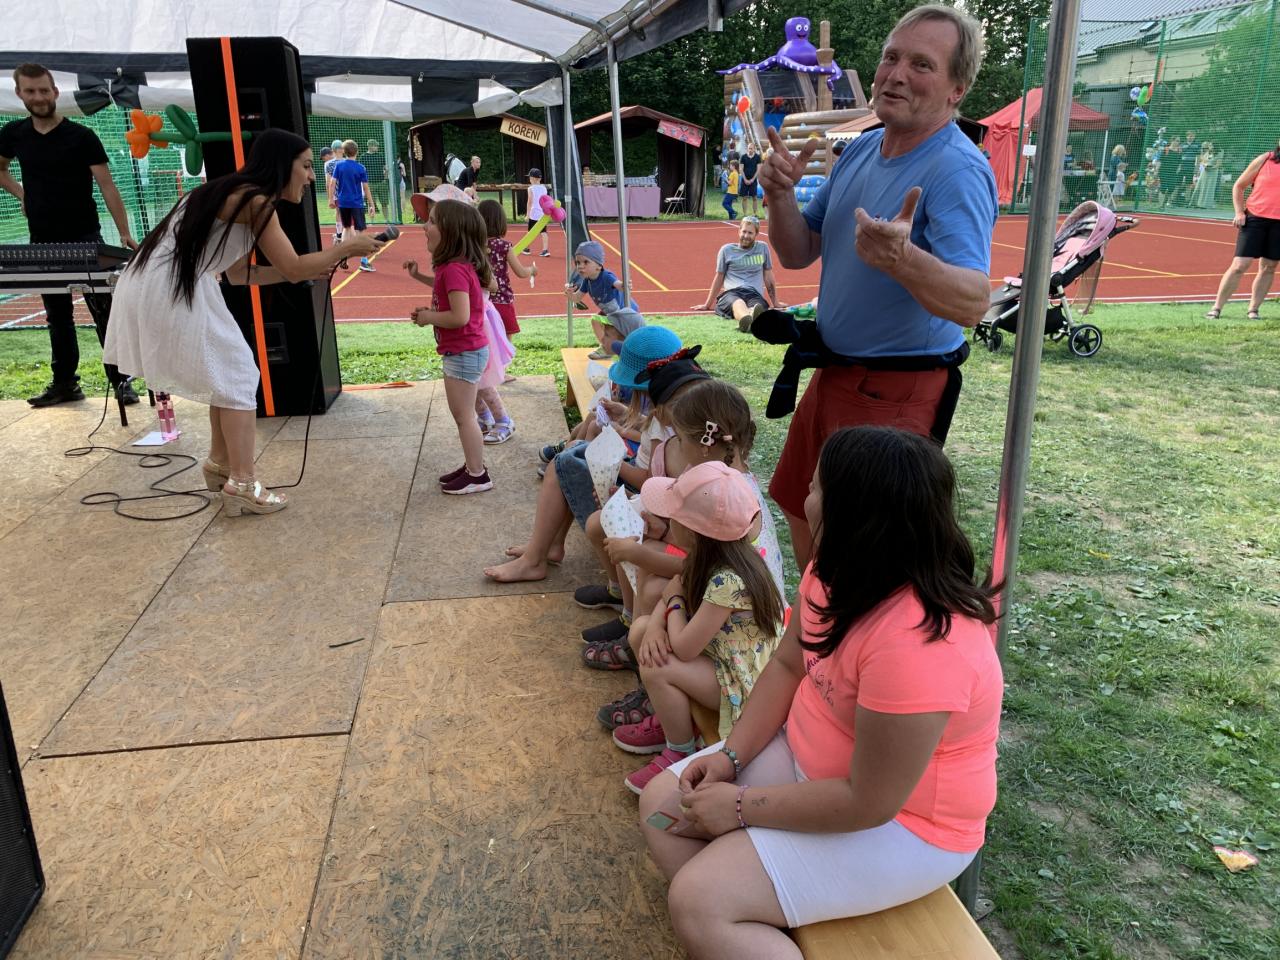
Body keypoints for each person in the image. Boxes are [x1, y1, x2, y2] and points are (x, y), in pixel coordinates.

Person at [638, 426, 1002, 958]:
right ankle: (751, 932)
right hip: (811, 762)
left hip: (906, 825)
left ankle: (737, 924)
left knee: (700, 901)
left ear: (851, 515)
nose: (803, 498)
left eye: (814, 488)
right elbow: (788, 666)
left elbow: (869, 800)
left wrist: (740, 806)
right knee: (662, 809)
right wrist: (730, 756)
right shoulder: (835, 571)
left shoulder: (919, 644)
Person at [756, 2, 997, 571]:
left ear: (957, 89)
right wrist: (780, 196)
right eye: (892, 57)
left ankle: (840, 622)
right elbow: (798, 251)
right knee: (799, 505)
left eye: (922, 64)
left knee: (861, 550)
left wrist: (903, 260)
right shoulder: (863, 148)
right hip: (836, 371)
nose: (896, 74)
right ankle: (818, 617)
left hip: (895, 389)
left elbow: (972, 302)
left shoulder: (957, 169)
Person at [103, 129, 380, 515]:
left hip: (164, 282)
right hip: (171, 286)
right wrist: (346, 247)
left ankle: (222, 466)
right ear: (282, 164)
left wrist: (303, 270)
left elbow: (241, 274)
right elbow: (293, 265)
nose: (311, 177)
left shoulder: (232, 193)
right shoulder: (255, 201)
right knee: (237, 376)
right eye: (305, 166)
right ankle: (243, 483)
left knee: (228, 375)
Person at [615, 462, 784, 795]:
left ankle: (679, 752)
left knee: (657, 665)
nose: (667, 521)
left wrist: (675, 603)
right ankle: (672, 717)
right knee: (642, 631)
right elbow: (675, 588)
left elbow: (684, 646)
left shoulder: (727, 580)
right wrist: (656, 625)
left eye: (672, 517)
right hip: (722, 658)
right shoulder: (718, 554)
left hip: (741, 684)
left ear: (692, 532)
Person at [482, 327, 682, 584]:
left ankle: (535, 559)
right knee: (570, 458)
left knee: (565, 462)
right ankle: (548, 546)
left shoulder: (664, 421)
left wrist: (611, 461)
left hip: (639, 498)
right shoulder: (669, 411)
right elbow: (652, 435)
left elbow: (650, 481)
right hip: (638, 482)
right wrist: (626, 415)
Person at [0, 63, 140, 407]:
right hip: (42, 240)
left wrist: (124, 232)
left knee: (104, 311)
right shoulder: (13, 133)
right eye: (30, 91)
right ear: (20, 94)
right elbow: (0, 169)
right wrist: (22, 195)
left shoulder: (82, 136)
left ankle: (122, 381)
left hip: (85, 236)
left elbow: (107, 185)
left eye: (43, 90)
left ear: (55, 92)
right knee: (57, 315)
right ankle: (65, 383)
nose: (38, 97)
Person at [409, 199, 495, 494]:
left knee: (464, 417)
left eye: (432, 221)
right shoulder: (453, 267)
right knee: (464, 416)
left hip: (464, 353)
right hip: (464, 351)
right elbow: (449, 300)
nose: (425, 226)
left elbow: (460, 316)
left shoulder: (454, 269)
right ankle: (473, 465)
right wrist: (430, 310)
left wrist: (428, 317)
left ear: (452, 232)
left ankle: (477, 474)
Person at [1204, 139, 1280, 321]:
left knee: (1269, 267)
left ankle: (1253, 310)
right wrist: (1239, 212)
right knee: (1240, 265)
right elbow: (1239, 186)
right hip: (1255, 218)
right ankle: (1216, 308)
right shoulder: (1265, 159)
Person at [693, 216, 782, 332]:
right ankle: (747, 318)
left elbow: (768, 275)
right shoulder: (726, 250)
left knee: (757, 306)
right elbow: (719, 277)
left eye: (750, 233)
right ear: (739, 231)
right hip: (731, 293)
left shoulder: (762, 248)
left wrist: (775, 302)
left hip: (754, 293)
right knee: (738, 302)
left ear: (756, 234)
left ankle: (750, 317)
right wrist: (707, 304)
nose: (746, 236)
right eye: (744, 231)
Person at [565, 240, 641, 360]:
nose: (580, 266)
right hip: (610, 313)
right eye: (578, 262)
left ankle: (607, 349)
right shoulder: (587, 281)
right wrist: (570, 295)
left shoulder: (606, 276)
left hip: (624, 313)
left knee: (598, 322)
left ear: (599, 266)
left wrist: (624, 285)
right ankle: (608, 347)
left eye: (586, 262)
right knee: (600, 323)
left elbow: (618, 285)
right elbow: (577, 297)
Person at [328, 140, 378, 272]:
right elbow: (366, 188)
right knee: (360, 231)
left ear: (344, 152)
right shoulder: (360, 168)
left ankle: (344, 257)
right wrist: (372, 204)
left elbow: (332, 183)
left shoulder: (339, 166)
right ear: (357, 151)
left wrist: (331, 199)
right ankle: (364, 261)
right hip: (356, 203)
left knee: (346, 228)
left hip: (343, 202)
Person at [524, 167, 552, 257]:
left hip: (534, 214)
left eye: (530, 178)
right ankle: (545, 250)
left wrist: (527, 215)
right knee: (543, 232)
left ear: (532, 178)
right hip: (542, 214)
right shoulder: (544, 188)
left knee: (530, 232)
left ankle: (527, 248)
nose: (529, 179)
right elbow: (546, 200)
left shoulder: (530, 188)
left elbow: (529, 202)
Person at [324, 140, 344, 245]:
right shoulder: (348, 162)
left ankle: (339, 234)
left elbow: (328, 183)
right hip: (349, 193)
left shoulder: (328, 164)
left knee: (338, 212)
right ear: (342, 149)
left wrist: (330, 198)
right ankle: (349, 234)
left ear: (333, 150)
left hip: (337, 194)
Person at [365, 138, 389, 218]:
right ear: (370, 146)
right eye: (376, 146)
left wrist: (385, 179)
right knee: (371, 203)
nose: (377, 147)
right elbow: (362, 171)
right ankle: (372, 222)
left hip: (381, 182)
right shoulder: (364, 157)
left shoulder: (380, 155)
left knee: (384, 203)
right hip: (370, 183)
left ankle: (387, 221)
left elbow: (386, 168)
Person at [739, 142, 761, 216]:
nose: (750, 150)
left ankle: (755, 214)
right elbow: (741, 169)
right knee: (744, 197)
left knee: (754, 197)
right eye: (749, 148)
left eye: (751, 148)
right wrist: (745, 179)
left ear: (754, 149)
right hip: (744, 179)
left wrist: (752, 179)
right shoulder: (743, 157)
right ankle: (745, 214)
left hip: (753, 180)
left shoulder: (757, 157)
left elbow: (758, 169)